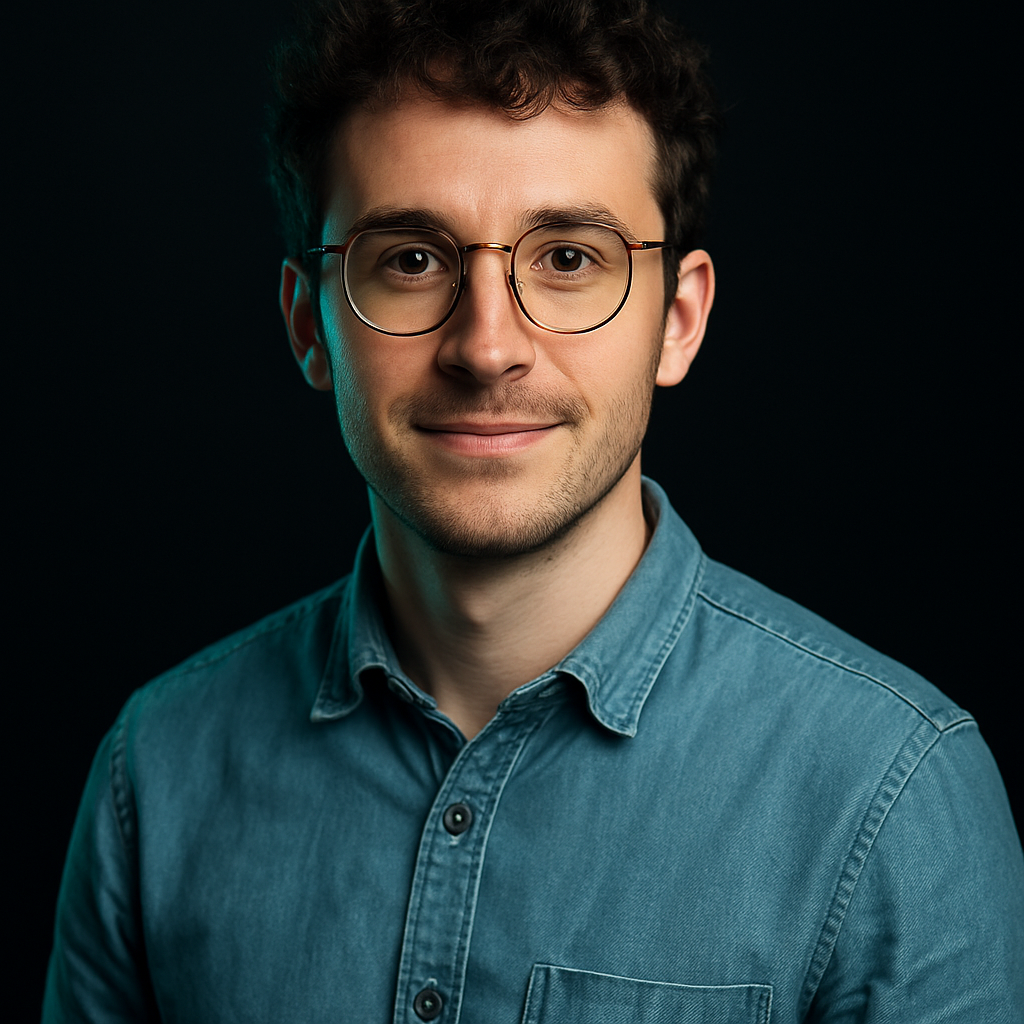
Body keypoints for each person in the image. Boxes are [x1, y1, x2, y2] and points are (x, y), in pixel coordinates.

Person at [43, 0, 1023, 1020]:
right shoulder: (155, 771)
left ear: (677, 321)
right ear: (310, 324)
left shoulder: (892, 792)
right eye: (411, 260)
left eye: (566, 259)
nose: (487, 347)